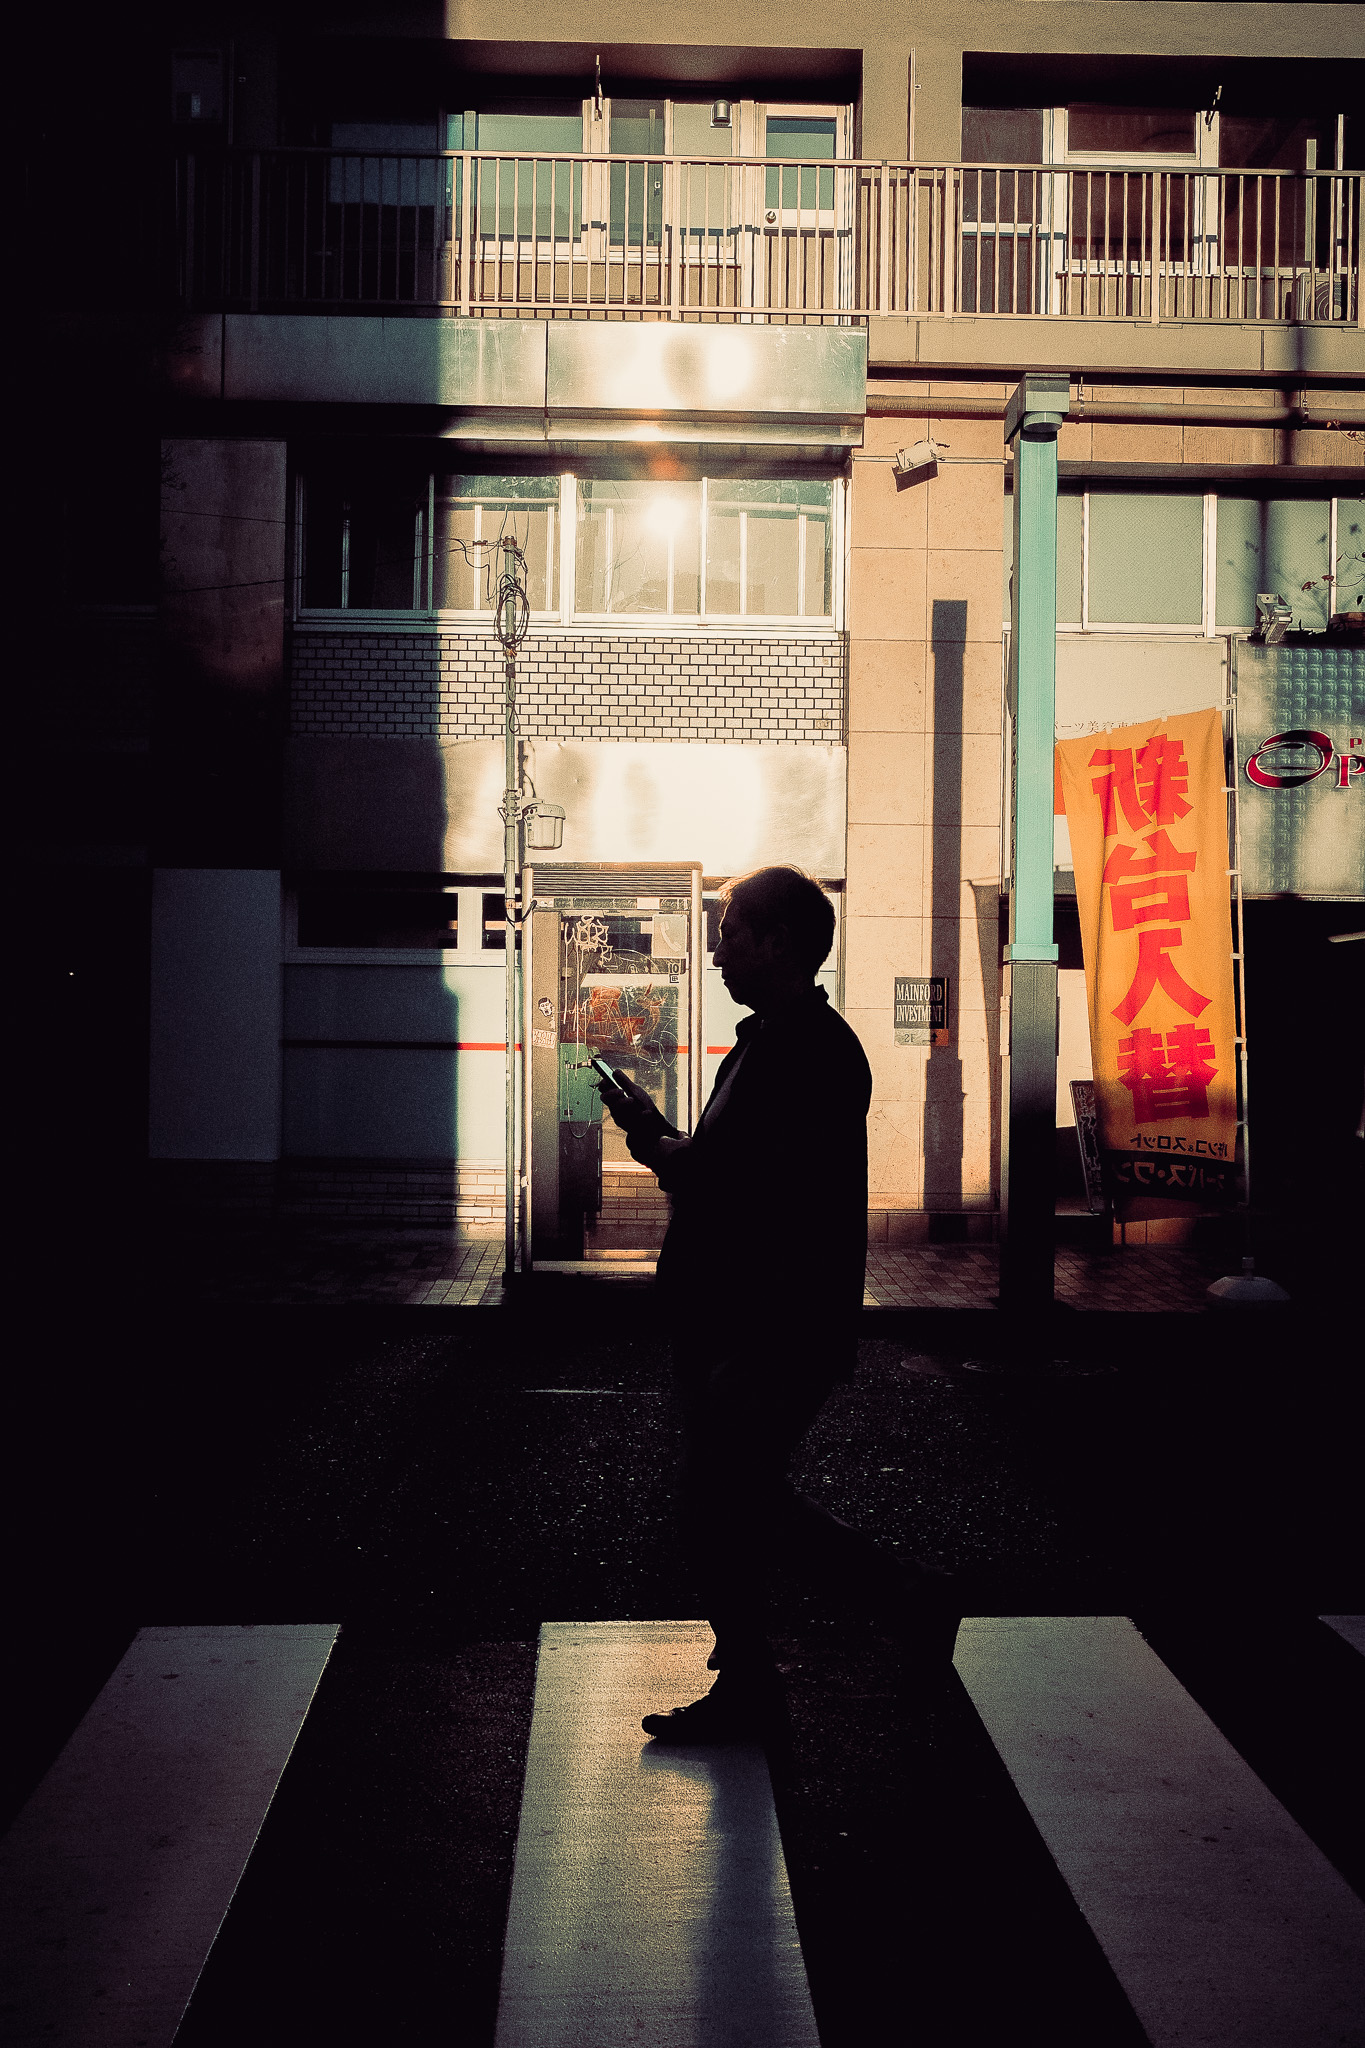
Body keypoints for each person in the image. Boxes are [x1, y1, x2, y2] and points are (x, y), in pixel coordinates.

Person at [597, 865, 957, 1743]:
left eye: (730, 933)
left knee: (723, 1497)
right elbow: (731, 1170)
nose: (717, 951)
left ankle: (888, 1605)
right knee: (727, 1498)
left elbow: (739, 1186)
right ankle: (809, 1645)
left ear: (778, 942)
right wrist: (662, 1136)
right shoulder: (771, 1042)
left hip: (769, 1325)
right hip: (740, 1318)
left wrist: (651, 1139)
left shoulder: (806, 1051)